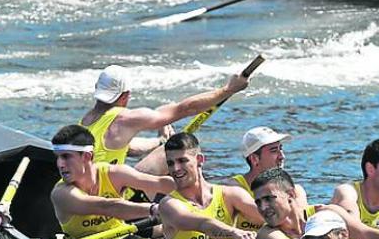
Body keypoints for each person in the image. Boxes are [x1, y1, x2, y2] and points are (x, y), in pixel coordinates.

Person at [78, 64, 252, 173]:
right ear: (126, 95)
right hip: (105, 197)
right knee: (174, 150)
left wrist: (160, 141)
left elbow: (129, 147)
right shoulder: (125, 119)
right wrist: (228, 89)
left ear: (97, 90)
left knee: (164, 146)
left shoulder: (86, 120)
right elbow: (186, 108)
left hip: (89, 192)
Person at [155, 133, 264, 239]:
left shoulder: (230, 194)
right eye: (170, 163)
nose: (175, 169)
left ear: (199, 159)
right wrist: (235, 233)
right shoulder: (169, 204)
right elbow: (202, 223)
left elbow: (268, 216)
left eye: (182, 161)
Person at [49, 125, 171, 239]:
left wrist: (200, 194)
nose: (60, 164)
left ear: (87, 156)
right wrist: (153, 209)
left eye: (66, 156)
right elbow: (107, 207)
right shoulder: (61, 194)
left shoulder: (114, 173)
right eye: (58, 157)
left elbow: (159, 183)